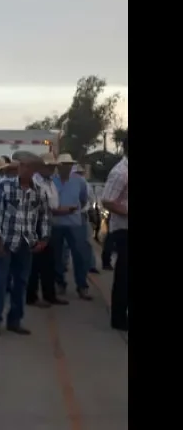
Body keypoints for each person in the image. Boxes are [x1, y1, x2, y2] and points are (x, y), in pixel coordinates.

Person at [0, 151, 50, 337]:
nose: (26, 170)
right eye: (23, 166)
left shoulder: (39, 191)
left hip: (26, 241)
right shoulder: (3, 186)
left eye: (30, 167)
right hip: (6, 239)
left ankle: (15, 320)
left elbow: (45, 216)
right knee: (0, 281)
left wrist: (44, 238)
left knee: (21, 283)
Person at [26, 153, 69, 308]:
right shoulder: (35, 181)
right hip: (36, 223)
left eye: (53, 166)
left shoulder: (50, 182)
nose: (51, 169)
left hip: (47, 223)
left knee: (49, 263)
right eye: (48, 166)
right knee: (35, 263)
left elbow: (52, 204)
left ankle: (49, 295)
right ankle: (31, 296)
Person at [51, 153, 92, 300]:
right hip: (56, 223)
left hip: (75, 223)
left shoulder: (79, 181)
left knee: (79, 255)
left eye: (69, 165)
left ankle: (82, 286)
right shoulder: (52, 181)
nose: (66, 168)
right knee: (57, 256)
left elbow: (83, 198)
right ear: (58, 166)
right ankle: (59, 282)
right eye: (63, 165)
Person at [101, 135, 128, 332]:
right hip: (124, 230)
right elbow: (108, 201)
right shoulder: (120, 173)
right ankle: (118, 318)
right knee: (124, 275)